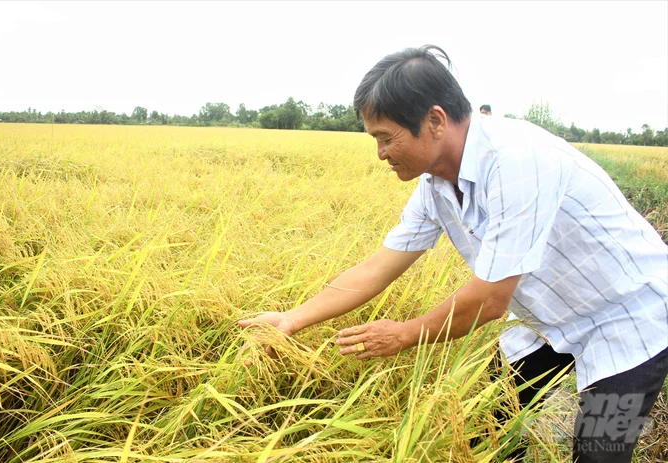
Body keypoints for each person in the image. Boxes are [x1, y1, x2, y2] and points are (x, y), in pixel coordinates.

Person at [239, 45, 668, 463]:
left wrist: (405, 334)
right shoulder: (435, 186)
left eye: (386, 138)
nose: (381, 154)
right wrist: (291, 319)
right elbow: (378, 267)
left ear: (435, 120)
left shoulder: (517, 160)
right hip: (551, 319)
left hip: (631, 320)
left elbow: (489, 301)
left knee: (600, 450)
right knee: (488, 424)